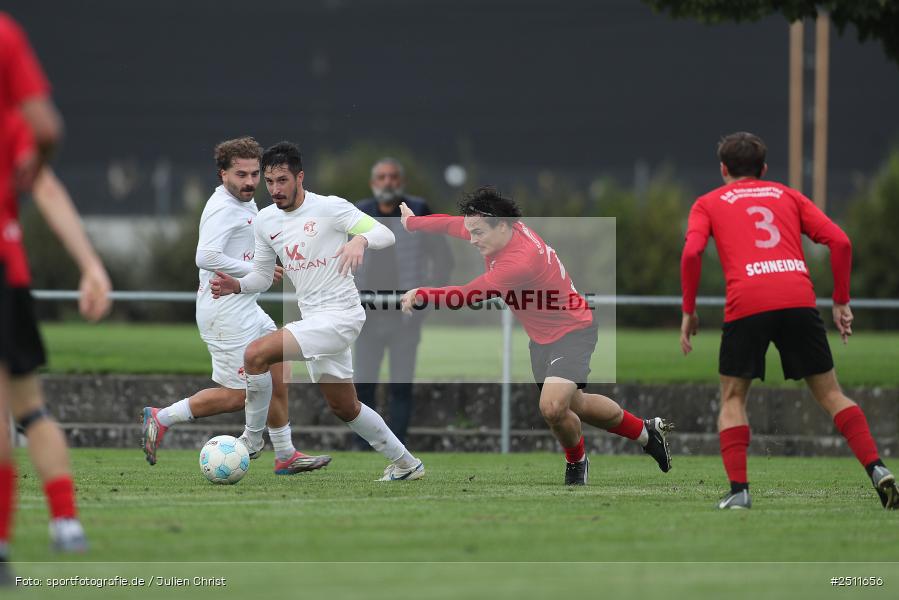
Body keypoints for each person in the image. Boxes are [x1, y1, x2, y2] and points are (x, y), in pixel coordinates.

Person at [679, 131, 898, 510]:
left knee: (732, 397)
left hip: (747, 302)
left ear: (723, 169)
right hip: (798, 298)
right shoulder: (787, 195)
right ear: (763, 169)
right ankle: (877, 469)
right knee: (831, 394)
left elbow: (691, 253)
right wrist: (841, 301)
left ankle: (739, 492)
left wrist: (689, 311)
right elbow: (841, 242)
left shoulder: (707, 202)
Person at [399, 186, 672, 486]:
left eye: (477, 233)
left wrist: (422, 294)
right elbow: (452, 224)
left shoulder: (520, 260)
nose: (472, 239)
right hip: (542, 338)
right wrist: (414, 223)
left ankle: (577, 462)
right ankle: (646, 432)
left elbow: (469, 294)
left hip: (573, 330)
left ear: (501, 225)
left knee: (552, 406)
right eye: (472, 232)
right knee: (576, 405)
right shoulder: (496, 229)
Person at [210, 142, 425, 481]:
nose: (275, 189)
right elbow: (264, 276)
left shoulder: (330, 207)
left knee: (255, 355)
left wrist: (360, 240)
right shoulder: (265, 221)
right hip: (313, 319)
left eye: (282, 180)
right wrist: (237, 285)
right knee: (345, 407)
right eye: (269, 181)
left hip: (341, 315)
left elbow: (385, 233)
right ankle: (407, 464)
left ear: (300, 176)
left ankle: (251, 442)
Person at [141, 137, 331, 475]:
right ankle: (161, 417)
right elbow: (205, 256)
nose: (249, 182)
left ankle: (285, 453)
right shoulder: (222, 208)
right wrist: (256, 270)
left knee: (277, 369)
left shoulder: (245, 203)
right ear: (222, 174)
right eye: (240, 174)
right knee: (236, 394)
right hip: (223, 309)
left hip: (245, 305)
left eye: (255, 174)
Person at [1, 14, 112, 578]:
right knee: (27, 406)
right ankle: (64, 523)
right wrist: (91, 264)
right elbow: (44, 155)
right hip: (6, 264)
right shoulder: (6, 42)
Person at [353, 158, 452, 444]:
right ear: (373, 183)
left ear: (402, 181)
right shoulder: (359, 212)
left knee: (401, 385)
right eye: (381, 177)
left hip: (405, 316)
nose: (388, 182)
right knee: (363, 386)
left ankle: (398, 448)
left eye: (393, 177)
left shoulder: (418, 210)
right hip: (366, 315)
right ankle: (363, 446)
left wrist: (430, 297)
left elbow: (443, 258)